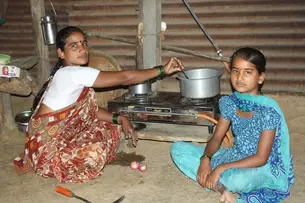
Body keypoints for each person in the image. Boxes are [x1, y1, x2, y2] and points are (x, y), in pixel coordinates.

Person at [14, 26, 185, 183]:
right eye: (74, 46)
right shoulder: (70, 74)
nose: (82, 49)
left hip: (63, 135)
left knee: (112, 126)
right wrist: (162, 70)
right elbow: (125, 78)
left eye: (84, 43)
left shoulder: (71, 74)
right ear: (61, 53)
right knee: (95, 152)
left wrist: (121, 118)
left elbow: (89, 111)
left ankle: (88, 146)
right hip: (46, 149)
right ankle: (55, 162)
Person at [170, 47, 294, 203]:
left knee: (238, 181)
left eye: (247, 72)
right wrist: (205, 159)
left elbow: (261, 158)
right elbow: (216, 138)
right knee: (178, 149)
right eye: (236, 71)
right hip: (234, 155)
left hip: (258, 166)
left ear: (260, 78)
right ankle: (221, 185)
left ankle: (219, 182)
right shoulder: (230, 103)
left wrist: (221, 168)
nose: (240, 78)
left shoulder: (268, 111)